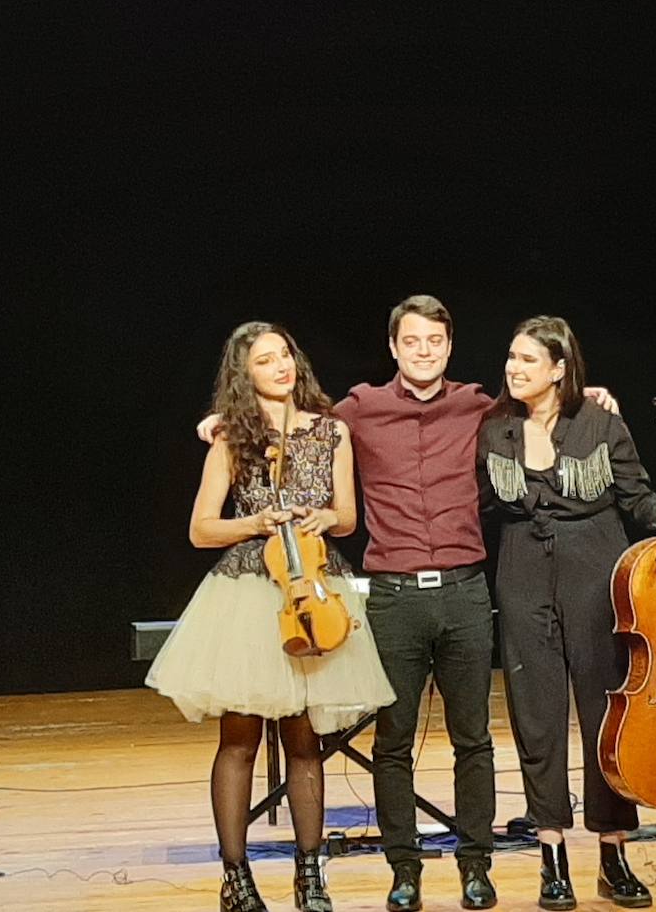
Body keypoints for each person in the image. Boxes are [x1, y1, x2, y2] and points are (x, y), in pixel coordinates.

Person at [199, 295, 617, 912]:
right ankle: (405, 869)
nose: (424, 352)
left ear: (450, 347)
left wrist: (593, 396)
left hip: (466, 590)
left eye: (436, 342)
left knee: (472, 738)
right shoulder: (358, 410)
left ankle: (477, 865)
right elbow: (296, 419)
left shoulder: (480, 407)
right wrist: (219, 421)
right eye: (412, 341)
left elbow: (547, 404)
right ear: (393, 347)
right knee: (391, 742)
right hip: (393, 595)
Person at [149, 321, 396, 912]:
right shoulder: (232, 437)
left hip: (312, 584)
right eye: (265, 360)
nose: (281, 366)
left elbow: (348, 517)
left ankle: (311, 877)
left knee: (307, 740)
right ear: (245, 373)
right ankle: (236, 879)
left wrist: (321, 519)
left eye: (285, 354)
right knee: (239, 739)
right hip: (250, 592)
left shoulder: (332, 430)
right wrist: (256, 523)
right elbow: (202, 528)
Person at [477, 315, 656, 910]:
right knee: (537, 719)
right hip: (523, 578)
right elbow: (477, 504)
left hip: (593, 575)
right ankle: (552, 856)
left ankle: (613, 854)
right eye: (511, 356)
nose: (513, 368)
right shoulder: (493, 425)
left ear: (559, 369)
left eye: (528, 360)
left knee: (606, 716)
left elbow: (636, 497)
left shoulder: (601, 421)